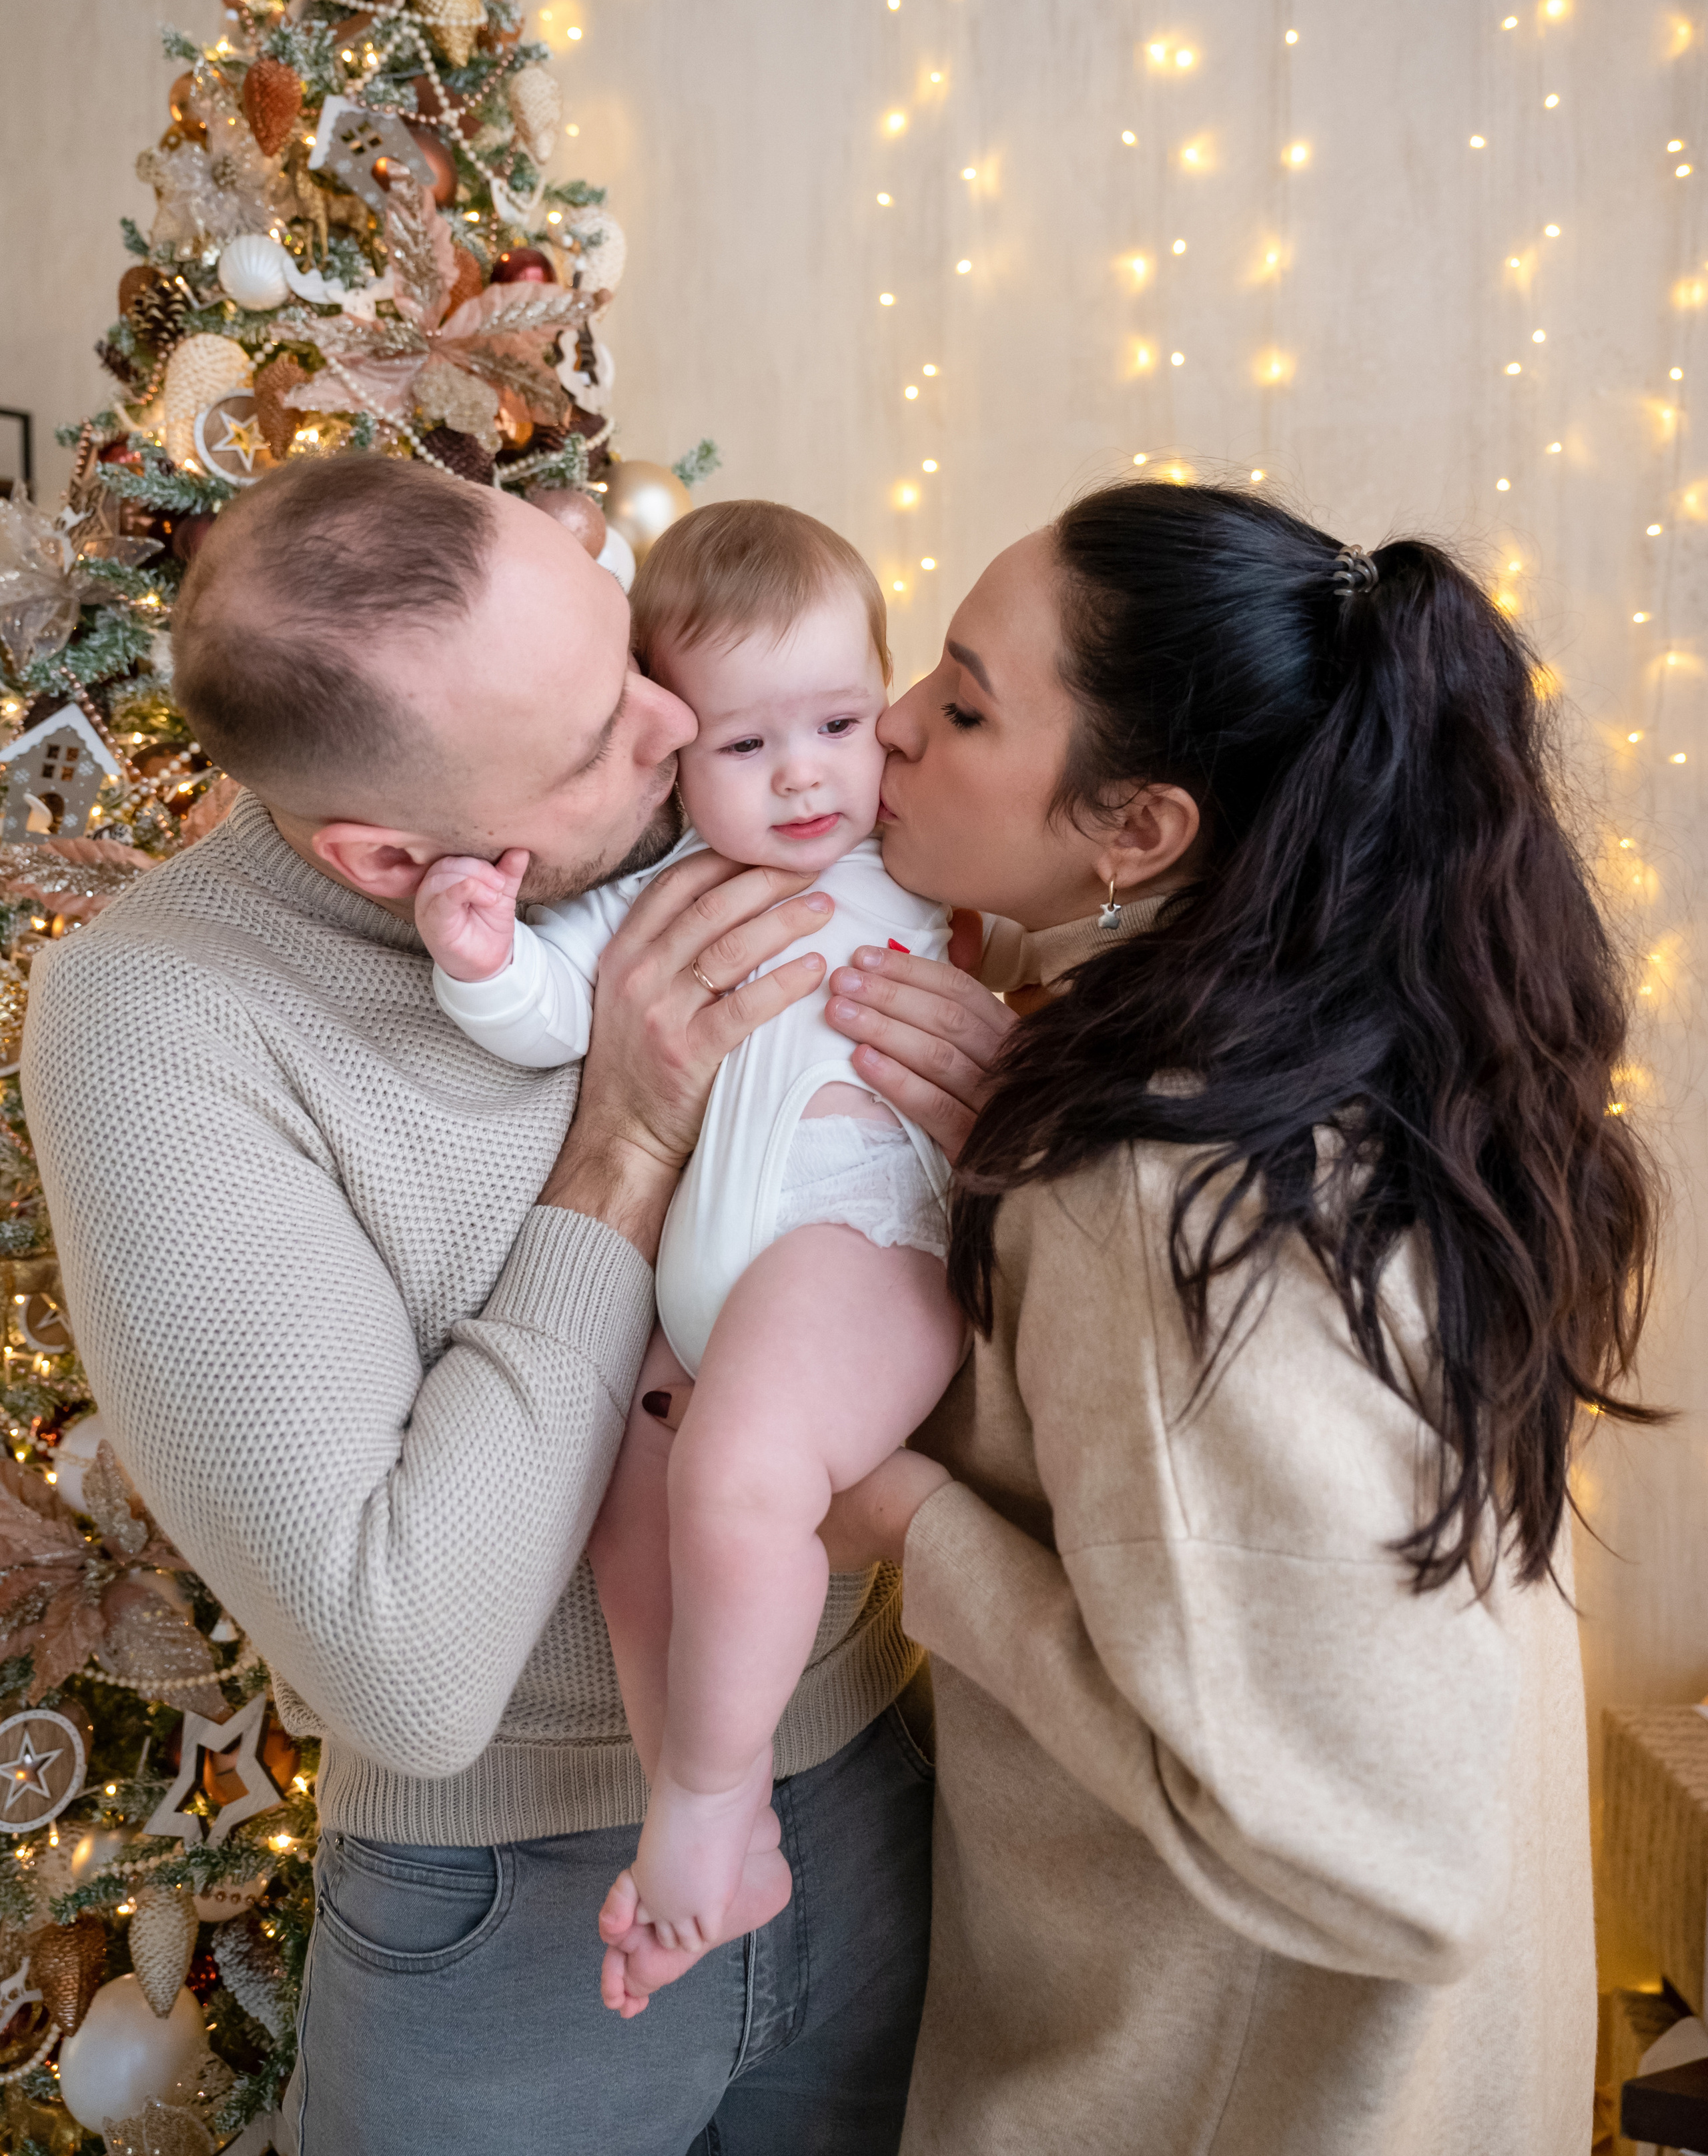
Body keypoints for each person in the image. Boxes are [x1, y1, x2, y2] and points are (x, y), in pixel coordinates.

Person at [21, 454, 937, 2156]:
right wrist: (625, 1141)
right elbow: (407, 1670)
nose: (679, 725)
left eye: (624, 648)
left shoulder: (713, 776)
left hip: (884, 1792)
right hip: (513, 1913)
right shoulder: (158, 1021)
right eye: (601, 739)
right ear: (391, 857)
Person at [819, 482, 1655, 2155]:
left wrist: (904, 1515)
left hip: (1228, 2090)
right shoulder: (1360, 1047)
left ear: (1137, 830)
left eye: (965, 705)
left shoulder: (1158, 1182)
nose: (891, 725)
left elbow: (1388, 1856)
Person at [413, 501, 963, 2007]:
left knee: (736, 1483)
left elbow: (1037, 973)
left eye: (838, 723)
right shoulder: (644, 895)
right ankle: (709, 1810)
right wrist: (481, 954)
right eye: (743, 746)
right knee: (624, 1525)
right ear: (669, 748)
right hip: (698, 1281)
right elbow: (548, 1011)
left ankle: (716, 1804)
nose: (802, 775)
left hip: (858, 1248)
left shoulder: (913, 867)